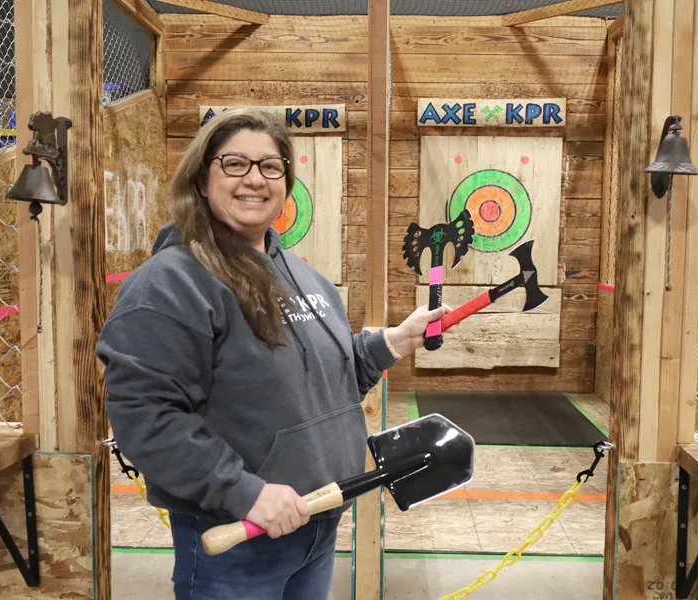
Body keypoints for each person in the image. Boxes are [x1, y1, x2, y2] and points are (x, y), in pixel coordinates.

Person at [95, 107, 449, 600]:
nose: (254, 179)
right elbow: (144, 416)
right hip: (240, 542)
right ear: (201, 179)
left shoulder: (306, 278)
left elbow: (325, 382)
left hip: (317, 526)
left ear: (285, 181)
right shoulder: (170, 284)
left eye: (270, 166)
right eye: (235, 163)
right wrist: (246, 492)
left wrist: (392, 343)